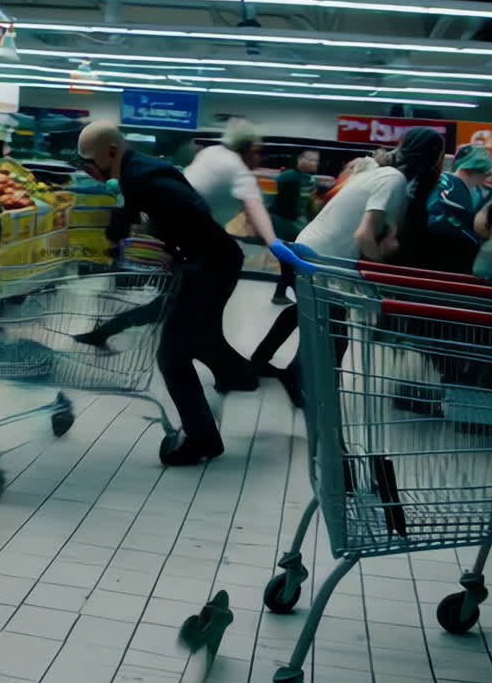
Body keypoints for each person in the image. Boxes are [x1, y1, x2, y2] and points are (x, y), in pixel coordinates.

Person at [76, 121, 256, 467]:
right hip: (208, 262)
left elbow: (192, 214)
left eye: (90, 162)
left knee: (172, 356)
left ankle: (202, 439)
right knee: (199, 337)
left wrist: (182, 254)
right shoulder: (134, 172)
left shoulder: (145, 177)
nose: (89, 170)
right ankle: (243, 376)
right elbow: (126, 218)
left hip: (208, 266)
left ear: (111, 152)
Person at [251, 127, 445, 404]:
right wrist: (378, 272)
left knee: (309, 313)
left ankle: (273, 366)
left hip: (310, 248)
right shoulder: (393, 180)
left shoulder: (377, 171)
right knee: (333, 328)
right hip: (321, 257)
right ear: (431, 158)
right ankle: (303, 382)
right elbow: (364, 234)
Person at [184, 120, 277, 250]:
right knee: (233, 257)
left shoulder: (209, 151)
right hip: (193, 232)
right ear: (246, 149)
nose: (259, 158)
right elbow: (254, 207)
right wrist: (273, 242)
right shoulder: (238, 169)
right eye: (257, 152)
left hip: (176, 221)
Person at [415, 143, 492, 273]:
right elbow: (441, 221)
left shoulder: (446, 181)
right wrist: (479, 245)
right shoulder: (454, 188)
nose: (486, 177)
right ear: (470, 169)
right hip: (440, 265)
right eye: (484, 172)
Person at [269, 148, 319, 304]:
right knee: (290, 262)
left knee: (288, 263)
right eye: (310, 159)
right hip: (286, 226)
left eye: (316, 160)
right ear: (300, 160)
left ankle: (280, 295)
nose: (313, 163)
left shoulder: (310, 180)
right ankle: (300, 301)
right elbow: (273, 203)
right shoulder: (287, 178)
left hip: (295, 227)